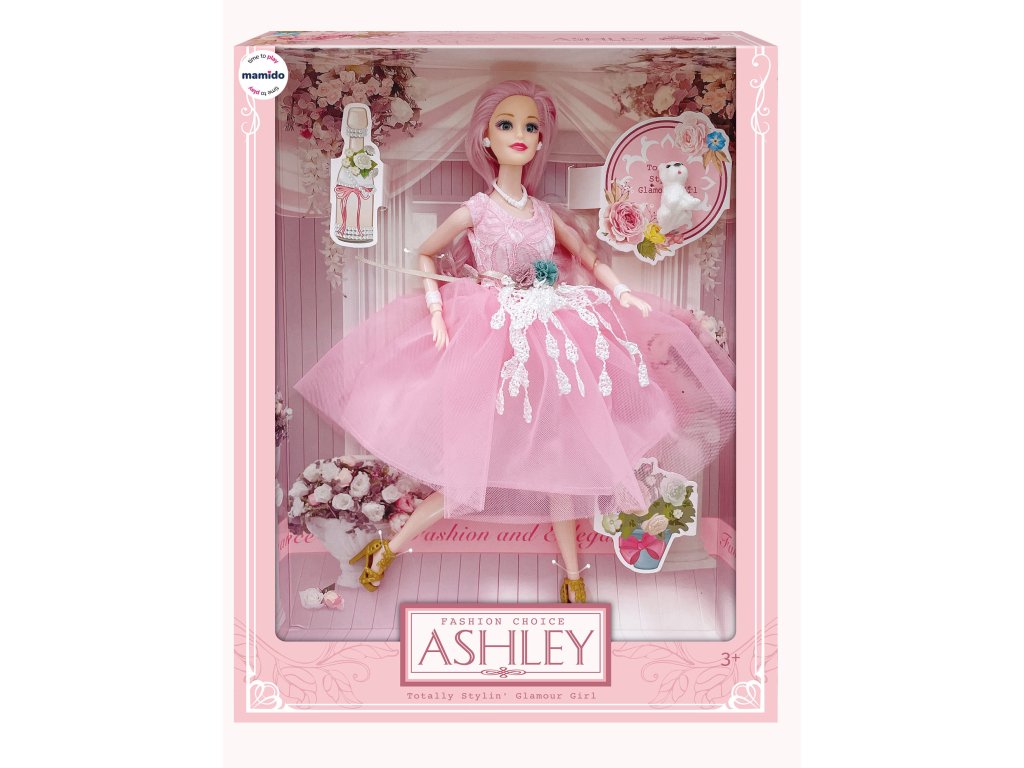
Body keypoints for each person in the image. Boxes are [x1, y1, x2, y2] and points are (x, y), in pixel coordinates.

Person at [293, 80, 736, 603]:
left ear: (541, 140)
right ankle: (386, 549)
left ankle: (572, 576)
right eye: (506, 125)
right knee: (468, 471)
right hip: (492, 336)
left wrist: (621, 292)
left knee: (562, 461)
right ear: (486, 138)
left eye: (530, 126)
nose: (519, 134)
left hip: (551, 333)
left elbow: (588, 258)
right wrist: (436, 311)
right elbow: (427, 253)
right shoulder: (478, 210)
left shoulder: (544, 214)